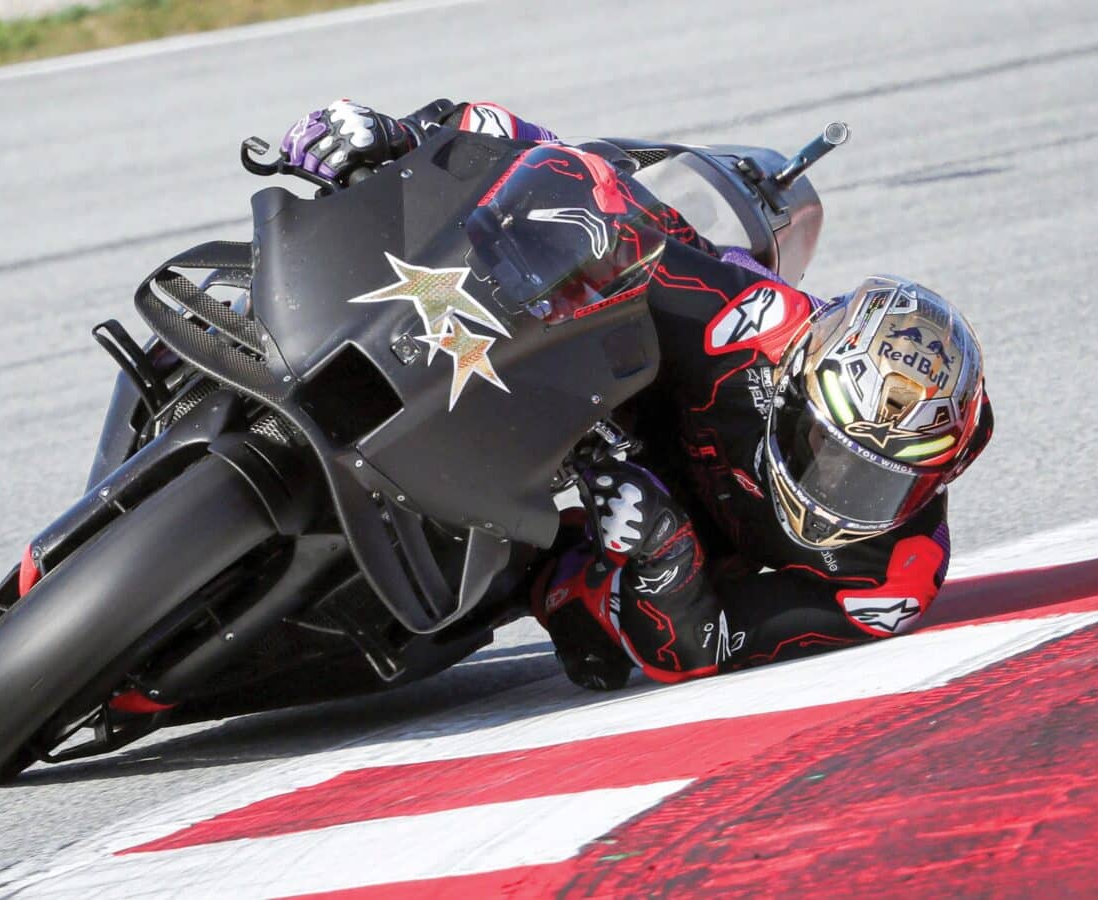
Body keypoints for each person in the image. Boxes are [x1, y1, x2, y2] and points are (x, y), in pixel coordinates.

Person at [279, 99, 995, 690]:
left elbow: (706, 646)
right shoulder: (746, 324)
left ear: (942, 471)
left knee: (589, 636)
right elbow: (604, 191)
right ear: (794, 385)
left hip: (662, 534)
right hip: (599, 388)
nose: (839, 496)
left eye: (879, 485)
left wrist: (664, 549)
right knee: (520, 260)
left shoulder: (889, 582)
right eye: (828, 455)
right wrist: (404, 135)